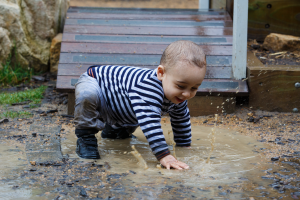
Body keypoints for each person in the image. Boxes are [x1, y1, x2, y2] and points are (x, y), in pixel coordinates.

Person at [74, 40, 206, 170]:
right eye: (181, 86)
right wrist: (164, 155)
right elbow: (150, 123)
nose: (187, 94)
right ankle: (86, 139)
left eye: (194, 88)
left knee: (130, 116)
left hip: (121, 104)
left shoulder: (179, 94)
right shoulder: (149, 88)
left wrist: (184, 146)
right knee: (87, 95)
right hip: (97, 84)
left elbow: (181, 119)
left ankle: (115, 131)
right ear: (161, 73)